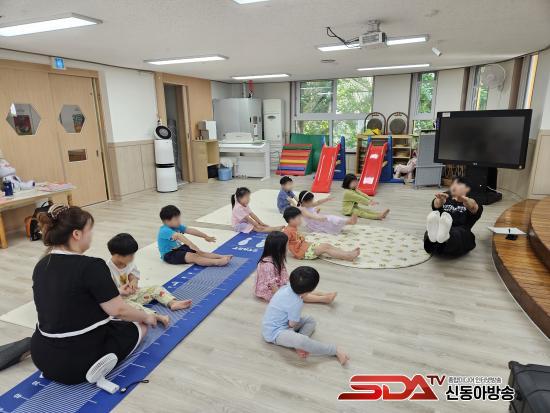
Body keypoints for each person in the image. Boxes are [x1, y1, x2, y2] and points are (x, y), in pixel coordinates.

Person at [31, 204, 160, 385]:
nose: (91, 235)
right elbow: (119, 310)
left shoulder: (41, 265)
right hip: (77, 362)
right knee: (140, 325)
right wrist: (146, 317)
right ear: (77, 234)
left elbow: (72, 299)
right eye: (89, 230)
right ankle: (98, 364)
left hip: (42, 356)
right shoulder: (92, 266)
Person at [261, 266, 349, 364]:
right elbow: (292, 324)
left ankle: (298, 346)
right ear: (310, 291)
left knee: (310, 320)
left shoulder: (286, 287)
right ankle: (334, 350)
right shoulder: (296, 302)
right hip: (274, 333)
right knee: (302, 340)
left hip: (281, 324)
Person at [107, 233, 193, 328]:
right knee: (133, 308)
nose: (132, 258)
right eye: (130, 255)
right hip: (121, 301)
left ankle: (172, 303)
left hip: (133, 294)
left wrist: (133, 282)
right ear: (118, 256)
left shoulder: (128, 262)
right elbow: (107, 293)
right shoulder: (106, 269)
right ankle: (157, 317)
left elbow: (133, 274)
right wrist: (121, 292)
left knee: (156, 288)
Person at [255, 231, 337, 304]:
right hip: (270, 291)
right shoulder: (268, 265)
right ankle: (324, 299)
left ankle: (324, 294)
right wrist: (284, 296)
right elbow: (273, 287)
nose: (288, 247)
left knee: (299, 288)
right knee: (299, 294)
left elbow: (281, 275)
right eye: (286, 245)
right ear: (279, 248)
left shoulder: (276, 258)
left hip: (279, 285)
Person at [424, 176, 483, 256]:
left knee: (459, 234)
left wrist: (466, 201)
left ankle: (444, 236)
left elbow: (474, 207)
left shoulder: (472, 199)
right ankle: (437, 236)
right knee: (432, 229)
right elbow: (436, 205)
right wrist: (440, 201)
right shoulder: (445, 195)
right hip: (439, 227)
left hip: (459, 231)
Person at [158, 205, 231, 266]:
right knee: (194, 257)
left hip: (179, 248)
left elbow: (190, 230)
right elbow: (179, 236)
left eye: (179, 218)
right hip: (169, 254)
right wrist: (191, 245)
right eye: (176, 219)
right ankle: (217, 262)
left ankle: (220, 257)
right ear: (167, 221)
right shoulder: (164, 230)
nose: (179, 221)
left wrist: (205, 236)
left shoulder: (177, 226)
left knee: (200, 252)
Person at [282, 207, 360, 261]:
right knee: (325, 248)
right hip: (303, 252)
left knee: (327, 245)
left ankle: (347, 253)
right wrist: (281, 255)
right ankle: (347, 256)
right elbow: (284, 243)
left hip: (306, 246)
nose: (301, 220)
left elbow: (297, 238)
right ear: (291, 220)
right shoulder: (287, 231)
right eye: (299, 218)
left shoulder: (293, 227)